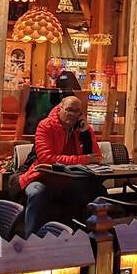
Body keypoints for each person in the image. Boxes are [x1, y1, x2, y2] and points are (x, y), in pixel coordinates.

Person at [19, 95, 99, 234]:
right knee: (37, 193)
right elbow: (46, 158)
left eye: (76, 111)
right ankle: (30, 240)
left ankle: (77, 238)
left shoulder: (83, 128)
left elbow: (96, 157)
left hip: (68, 179)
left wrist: (85, 133)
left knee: (94, 192)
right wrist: (83, 159)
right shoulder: (46, 126)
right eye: (68, 110)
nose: (72, 114)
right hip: (41, 176)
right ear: (60, 109)